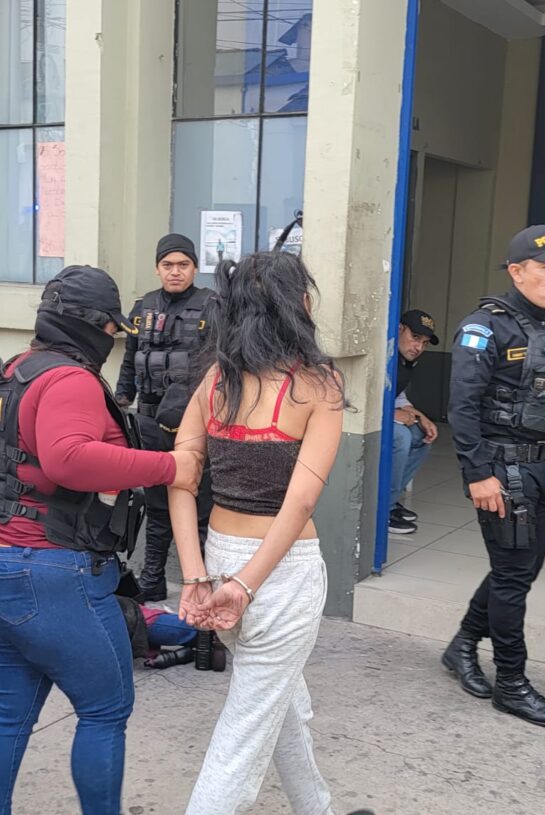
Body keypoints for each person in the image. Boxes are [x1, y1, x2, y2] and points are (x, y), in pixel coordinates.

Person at [0, 264, 204, 814]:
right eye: (112, 329)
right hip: (48, 572)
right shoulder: (70, 380)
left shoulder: (17, 370)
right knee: (105, 709)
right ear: (91, 324)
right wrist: (171, 466)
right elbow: (68, 459)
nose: (113, 339)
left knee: (9, 712)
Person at [170, 252, 372, 815]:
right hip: (280, 573)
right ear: (298, 305)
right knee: (243, 735)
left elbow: (181, 478)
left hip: (218, 559)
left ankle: (317, 808)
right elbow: (302, 500)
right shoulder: (318, 385)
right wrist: (248, 584)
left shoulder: (216, 381)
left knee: (283, 703)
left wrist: (197, 577)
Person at [443, 225, 545, 729]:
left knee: (519, 570)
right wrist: (478, 474)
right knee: (514, 577)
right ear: (517, 272)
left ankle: (463, 644)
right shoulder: (485, 327)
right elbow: (462, 407)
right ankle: (511, 685)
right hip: (503, 471)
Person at [115, 233, 219, 602]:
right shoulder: (142, 308)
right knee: (157, 503)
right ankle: (152, 578)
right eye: (168, 265)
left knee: (201, 504)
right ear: (157, 269)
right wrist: (121, 400)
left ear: (195, 268)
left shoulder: (213, 307)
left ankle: (202, 583)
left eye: (183, 265)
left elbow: (221, 368)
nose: (175, 272)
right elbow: (130, 361)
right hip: (149, 418)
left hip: (196, 422)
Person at [388, 309, 439, 535]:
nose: (418, 347)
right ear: (399, 329)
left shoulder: (405, 361)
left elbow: (397, 395)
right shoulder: (383, 354)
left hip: (382, 414)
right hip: (353, 421)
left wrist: (421, 416)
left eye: (424, 343)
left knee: (422, 435)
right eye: (415, 337)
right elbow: (355, 397)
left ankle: (390, 499)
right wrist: (390, 414)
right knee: (401, 437)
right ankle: (382, 509)